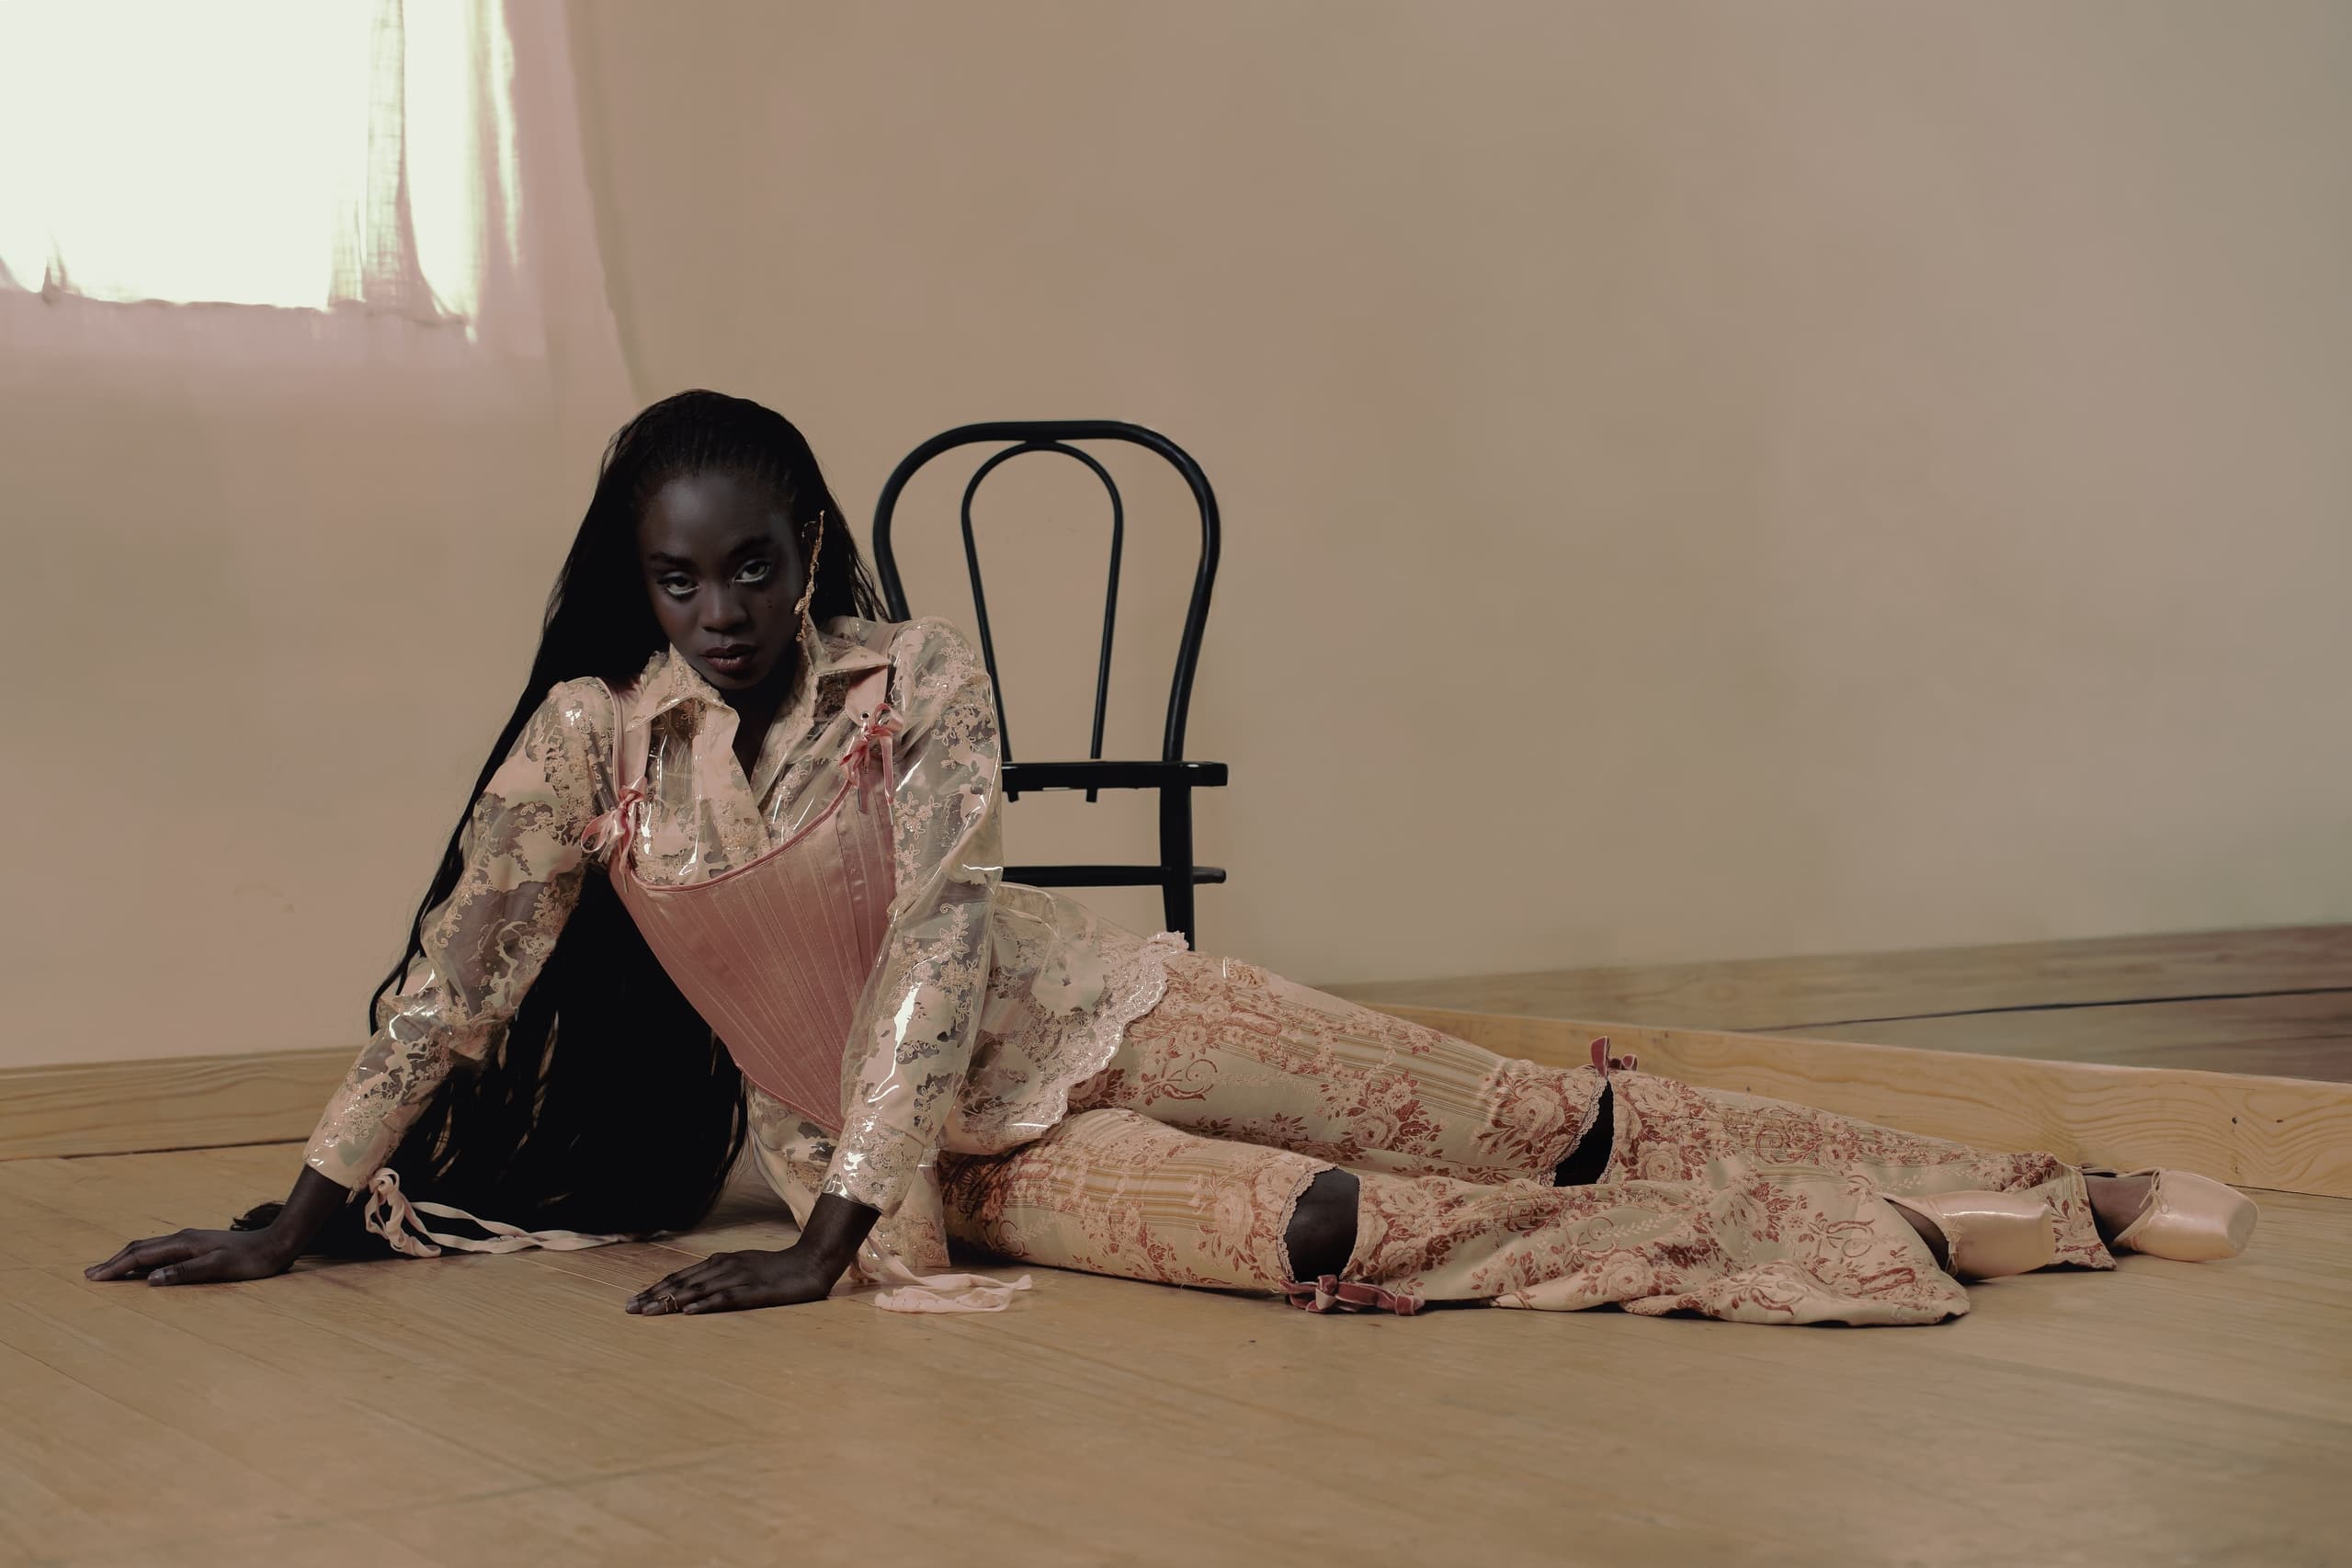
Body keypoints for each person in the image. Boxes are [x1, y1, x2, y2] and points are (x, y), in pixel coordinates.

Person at [87, 392, 2257, 1324]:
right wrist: (298, 1209)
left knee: (1531, 1119)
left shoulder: (912, 680)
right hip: (948, 1165)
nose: (722, 612)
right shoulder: (588, 747)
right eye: (680, 583)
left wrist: (829, 1244)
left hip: (1090, 1013)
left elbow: (939, 944)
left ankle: (2020, 1190)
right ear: (636, 586)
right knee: (1341, 1231)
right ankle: (1896, 1245)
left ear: (807, 549)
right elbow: (449, 982)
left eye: (754, 567)